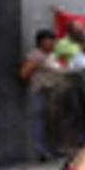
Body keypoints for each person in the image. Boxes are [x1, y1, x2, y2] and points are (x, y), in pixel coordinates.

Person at [20, 30, 62, 161]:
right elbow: (23, 74)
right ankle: (41, 152)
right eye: (51, 40)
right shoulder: (36, 55)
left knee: (49, 123)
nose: (54, 43)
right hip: (40, 93)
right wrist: (38, 83)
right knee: (40, 123)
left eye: (54, 40)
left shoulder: (50, 55)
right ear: (42, 42)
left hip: (52, 94)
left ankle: (51, 150)